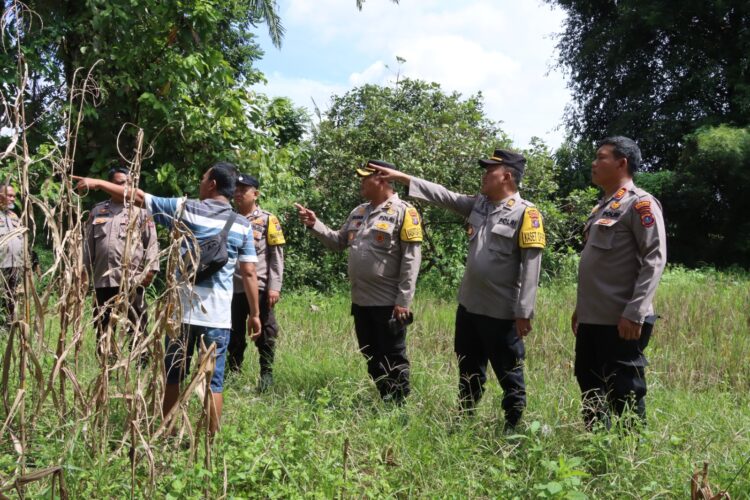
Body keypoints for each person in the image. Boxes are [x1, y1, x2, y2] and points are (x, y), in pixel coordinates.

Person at [74, 162, 261, 435]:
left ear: (211, 185)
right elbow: (249, 272)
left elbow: (137, 196)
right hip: (218, 317)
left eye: (203, 177)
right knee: (213, 382)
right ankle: (211, 440)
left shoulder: (187, 209)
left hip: (180, 314)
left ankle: (167, 432)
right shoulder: (242, 225)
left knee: (173, 375)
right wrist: (254, 314)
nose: (200, 182)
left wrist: (99, 183)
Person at [371, 150, 545, 430]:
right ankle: (464, 417)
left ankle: (513, 425)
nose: (484, 176)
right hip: (469, 307)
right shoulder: (480, 206)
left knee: (509, 372)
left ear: (507, 176)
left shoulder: (526, 213)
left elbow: (532, 267)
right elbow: (442, 195)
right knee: (468, 368)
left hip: (501, 312)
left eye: (490, 171)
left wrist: (524, 312)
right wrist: (403, 178)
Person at [295, 160, 422, 404]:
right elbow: (337, 242)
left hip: (388, 303)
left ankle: (399, 406)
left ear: (382, 179)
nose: (361, 182)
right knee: (370, 352)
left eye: (366, 177)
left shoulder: (405, 212)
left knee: (393, 356)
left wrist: (403, 301)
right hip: (361, 300)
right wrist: (314, 224)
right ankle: (386, 397)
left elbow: (411, 261)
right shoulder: (359, 211)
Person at [571, 136, 666, 430]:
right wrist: (581, 308)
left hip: (622, 319)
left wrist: (634, 312)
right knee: (589, 383)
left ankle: (630, 454)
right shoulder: (602, 207)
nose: (594, 163)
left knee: (624, 391)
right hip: (593, 317)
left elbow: (655, 258)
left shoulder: (640, 204)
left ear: (621, 163)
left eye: (601, 157)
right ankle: (597, 446)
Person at [82, 167, 159, 358]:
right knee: (103, 325)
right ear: (109, 186)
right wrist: (82, 274)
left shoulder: (141, 212)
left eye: (128, 183)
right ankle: (106, 366)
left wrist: (150, 271)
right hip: (103, 281)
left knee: (137, 324)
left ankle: (142, 363)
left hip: (132, 281)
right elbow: (87, 247)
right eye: (119, 183)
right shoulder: (98, 211)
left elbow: (152, 244)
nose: (125, 187)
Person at [228, 173, 285, 392]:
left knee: (266, 333)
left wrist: (274, 287)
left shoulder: (268, 220)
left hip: (259, 287)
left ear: (256, 194)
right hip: (232, 287)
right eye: (237, 189)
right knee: (233, 333)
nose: (239, 194)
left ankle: (266, 374)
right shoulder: (229, 219)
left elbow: (276, 257)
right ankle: (233, 373)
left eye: (244, 190)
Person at [0, 184, 23, 322]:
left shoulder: (14, 216)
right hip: (1, 264)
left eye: (14, 196)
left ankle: (9, 325)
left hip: (15, 264)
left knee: (12, 296)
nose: (13, 199)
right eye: (9, 195)